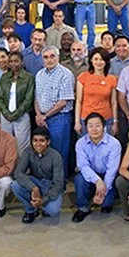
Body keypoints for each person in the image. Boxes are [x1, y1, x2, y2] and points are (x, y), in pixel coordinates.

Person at [34, 47, 76, 176]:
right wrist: (38, 115)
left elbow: (63, 102)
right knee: (44, 151)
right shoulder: (39, 74)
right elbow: (36, 97)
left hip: (59, 119)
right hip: (42, 118)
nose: (49, 60)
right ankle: (47, 179)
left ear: (58, 58)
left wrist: (45, 116)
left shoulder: (65, 74)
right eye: (46, 57)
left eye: (52, 56)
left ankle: (60, 183)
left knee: (59, 153)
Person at [72, 113, 122, 222]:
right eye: (90, 126)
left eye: (97, 126)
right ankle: (83, 208)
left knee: (106, 204)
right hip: (91, 175)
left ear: (104, 127)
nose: (94, 129)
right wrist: (97, 181)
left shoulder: (114, 144)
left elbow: (112, 170)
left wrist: (103, 190)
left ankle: (106, 196)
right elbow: (83, 166)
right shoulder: (80, 143)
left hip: (107, 177)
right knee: (79, 179)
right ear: (86, 128)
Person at [13, 127, 65, 223]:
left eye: (42, 141)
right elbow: (18, 173)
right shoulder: (27, 152)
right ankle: (31, 210)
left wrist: (43, 200)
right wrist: (33, 187)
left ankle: (42, 206)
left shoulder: (56, 156)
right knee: (15, 185)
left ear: (48, 142)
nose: (38, 144)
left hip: (49, 186)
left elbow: (58, 184)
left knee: (53, 211)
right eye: (35, 141)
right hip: (35, 182)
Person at [0, 51, 35, 150]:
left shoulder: (29, 78)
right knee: (5, 146)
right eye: (11, 61)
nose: (13, 64)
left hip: (22, 116)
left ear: (22, 62)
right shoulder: (4, 77)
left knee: (22, 147)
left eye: (16, 61)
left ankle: (22, 165)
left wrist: (15, 114)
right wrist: (6, 113)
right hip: (5, 116)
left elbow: (28, 99)